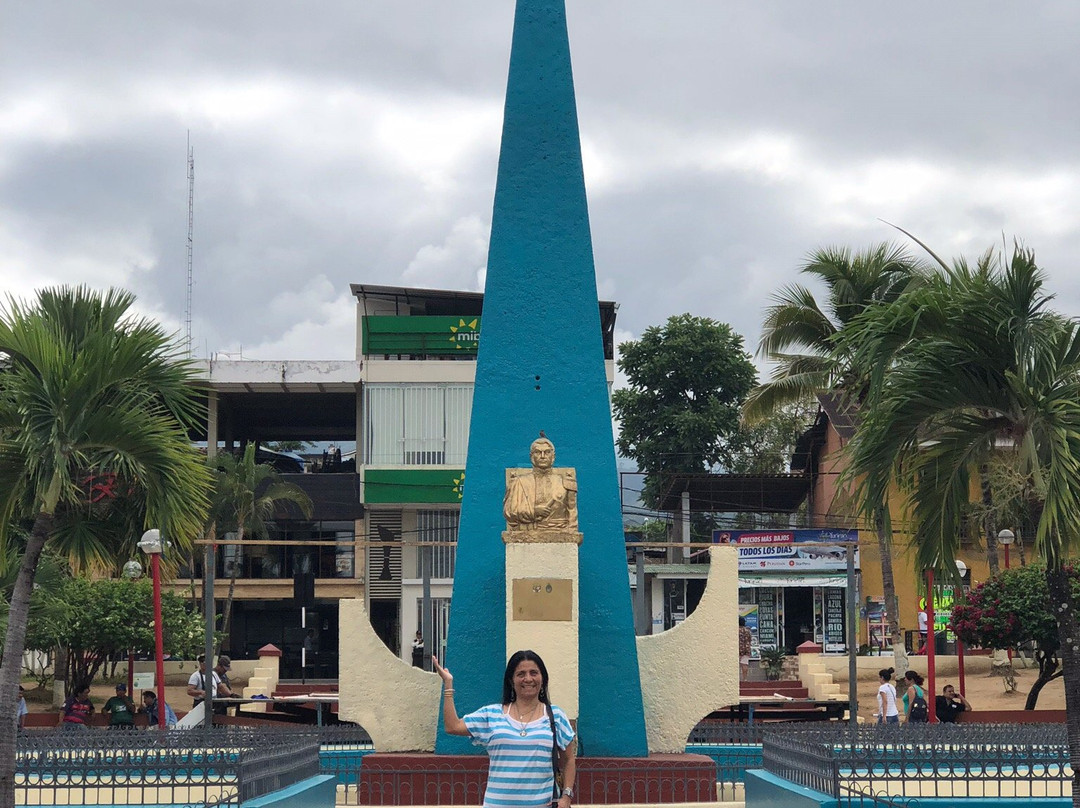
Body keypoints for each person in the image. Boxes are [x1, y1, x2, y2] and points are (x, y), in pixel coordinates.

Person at [434, 650, 576, 808]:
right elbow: (452, 726)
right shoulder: (492, 714)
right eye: (521, 674)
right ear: (511, 680)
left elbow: (569, 760)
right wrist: (448, 684)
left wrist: (567, 795)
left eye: (534, 673)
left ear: (542, 678)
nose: (528, 678)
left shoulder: (555, 716)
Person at [503, 437, 578, 532]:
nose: (543, 456)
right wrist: (533, 511)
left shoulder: (566, 482)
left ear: (553, 456)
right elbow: (509, 511)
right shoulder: (519, 482)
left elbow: (572, 512)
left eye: (547, 452)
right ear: (531, 456)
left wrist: (572, 535)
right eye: (538, 452)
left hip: (559, 530)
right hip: (528, 531)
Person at [738, 617, 752, 681]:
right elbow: (750, 639)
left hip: (738, 649)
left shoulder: (736, 630)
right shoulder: (748, 630)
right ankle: (745, 679)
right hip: (746, 649)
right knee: (745, 664)